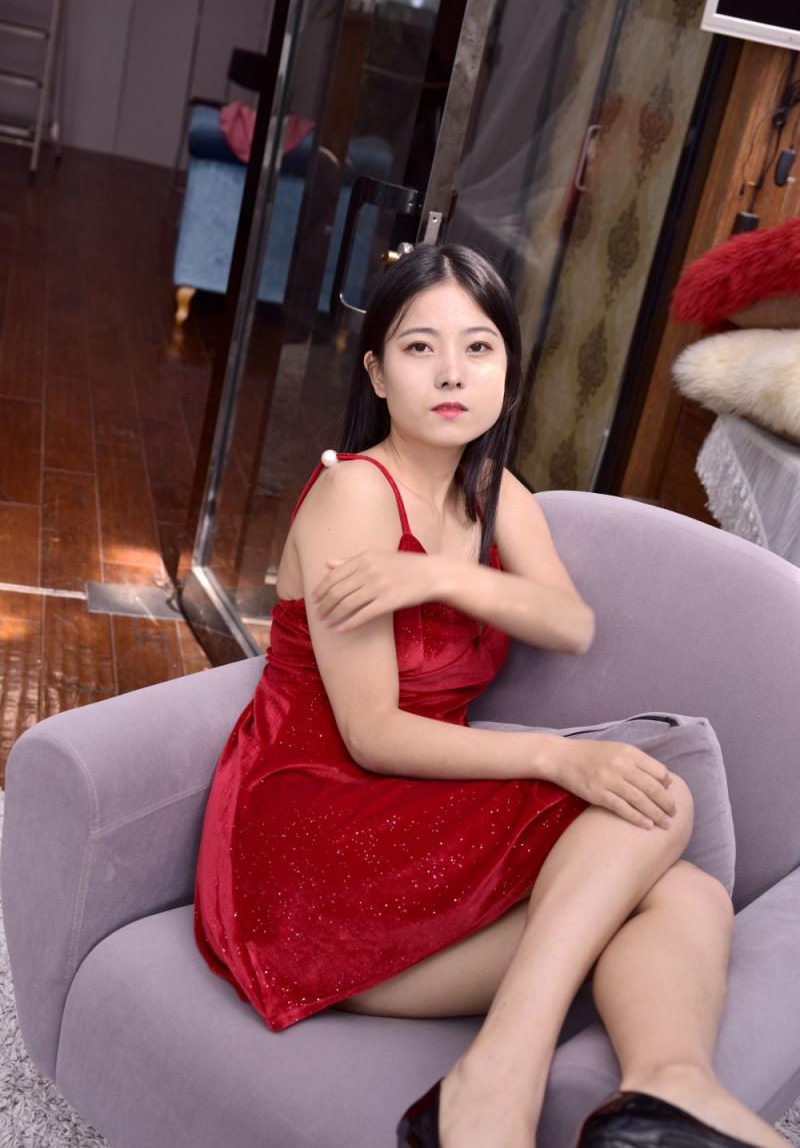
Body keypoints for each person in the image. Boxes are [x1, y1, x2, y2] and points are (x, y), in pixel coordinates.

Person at [193, 244, 785, 1148]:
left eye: (478, 348)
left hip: (418, 812)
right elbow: (372, 732)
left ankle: (666, 1095)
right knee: (652, 812)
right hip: (319, 835)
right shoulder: (356, 493)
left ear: (507, 371)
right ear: (377, 374)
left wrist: (444, 577)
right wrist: (558, 756)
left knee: (691, 892)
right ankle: (496, 1079)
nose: (451, 374)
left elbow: (569, 622)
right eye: (419, 348)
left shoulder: (494, 493)